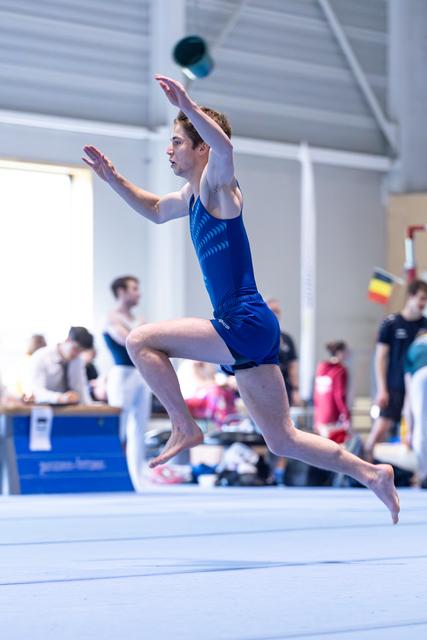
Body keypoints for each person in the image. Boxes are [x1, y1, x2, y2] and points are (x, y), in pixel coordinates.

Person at [83, 73, 399, 523]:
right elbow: (154, 210)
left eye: (177, 141)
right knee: (283, 439)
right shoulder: (191, 196)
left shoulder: (218, 186)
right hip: (250, 326)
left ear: (200, 148)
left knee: (139, 340)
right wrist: (111, 177)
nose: (169, 149)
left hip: (242, 320)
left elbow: (226, 149)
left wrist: (190, 106)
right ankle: (371, 473)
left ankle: (184, 425)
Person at [366, 279, 427, 460]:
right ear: (410, 296)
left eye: (426, 300)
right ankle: (362, 466)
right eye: (421, 298)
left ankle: (419, 475)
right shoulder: (390, 324)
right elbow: (380, 358)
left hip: (419, 387)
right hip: (394, 386)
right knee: (380, 429)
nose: (423, 304)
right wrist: (382, 389)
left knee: (417, 430)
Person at [102, 275, 152, 489]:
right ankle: (113, 474)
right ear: (121, 292)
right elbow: (127, 340)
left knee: (139, 427)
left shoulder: (137, 320)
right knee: (120, 426)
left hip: (141, 373)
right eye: (134, 288)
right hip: (121, 374)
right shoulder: (111, 318)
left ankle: (136, 478)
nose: (138, 293)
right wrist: (143, 329)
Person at [404, 329, 427, 487]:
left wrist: (410, 431)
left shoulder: (414, 346)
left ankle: (425, 476)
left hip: (421, 374)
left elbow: (409, 398)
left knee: (421, 424)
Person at [27, 326, 93, 404]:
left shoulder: (77, 360)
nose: (77, 354)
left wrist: (90, 406)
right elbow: (36, 391)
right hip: (44, 409)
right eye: (76, 349)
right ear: (68, 340)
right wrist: (60, 398)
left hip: (68, 411)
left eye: (81, 352)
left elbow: (80, 390)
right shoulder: (41, 357)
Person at [313, 341, 350, 444]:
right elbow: (339, 395)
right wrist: (346, 414)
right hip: (333, 416)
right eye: (346, 352)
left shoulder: (321, 367)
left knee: (322, 447)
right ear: (340, 352)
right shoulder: (340, 370)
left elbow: (316, 393)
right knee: (335, 450)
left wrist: (317, 416)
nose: (348, 354)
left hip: (320, 415)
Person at [266, 298, 300, 406]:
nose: (275, 314)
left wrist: (295, 390)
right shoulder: (259, 339)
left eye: (277, 311)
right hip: (265, 385)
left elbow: (292, 366)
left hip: (284, 386)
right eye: (272, 311)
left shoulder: (286, 339)